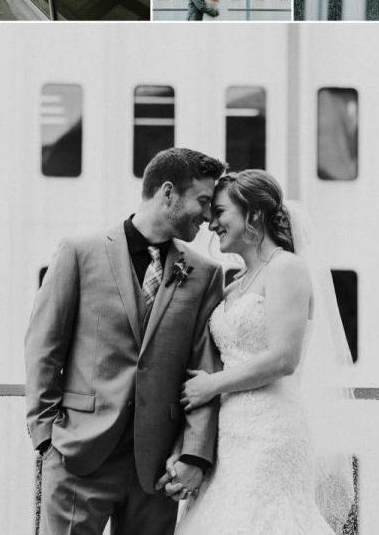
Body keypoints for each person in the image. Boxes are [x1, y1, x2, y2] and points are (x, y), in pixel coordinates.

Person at [25, 148, 227, 535]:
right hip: (78, 456)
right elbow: (43, 348)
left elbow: (204, 370)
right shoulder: (79, 253)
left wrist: (194, 455)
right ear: (168, 193)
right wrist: (46, 438)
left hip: (157, 469)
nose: (207, 215)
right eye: (202, 201)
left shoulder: (205, 274)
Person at [164, 170, 355, 534]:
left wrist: (211, 385)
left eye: (220, 212)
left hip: (271, 431)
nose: (211, 224)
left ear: (252, 213)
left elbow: (285, 358)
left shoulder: (287, 268)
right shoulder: (235, 283)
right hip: (231, 434)